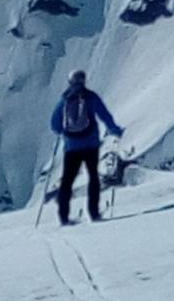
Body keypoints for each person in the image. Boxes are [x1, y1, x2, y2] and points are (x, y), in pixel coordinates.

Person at [50, 70, 124, 224]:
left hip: (71, 147)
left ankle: (63, 217)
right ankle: (94, 213)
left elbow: (54, 124)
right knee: (93, 177)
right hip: (91, 144)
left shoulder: (64, 99)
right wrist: (115, 130)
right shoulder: (91, 97)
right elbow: (105, 115)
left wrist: (63, 133)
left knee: (67, 180)